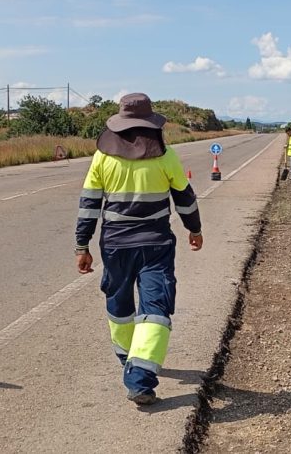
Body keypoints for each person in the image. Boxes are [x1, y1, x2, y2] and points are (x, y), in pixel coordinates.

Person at [75, 93, 204, 406]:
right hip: (156, 246)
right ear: (151, 124)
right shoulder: (166, 155)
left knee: (119, 306)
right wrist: (194, 229)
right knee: (155, 309)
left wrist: (82, 245)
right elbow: (185, 198)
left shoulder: (103, 158)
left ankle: (128, 360)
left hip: (115, 245)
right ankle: (140, 378)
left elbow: (89, 204)